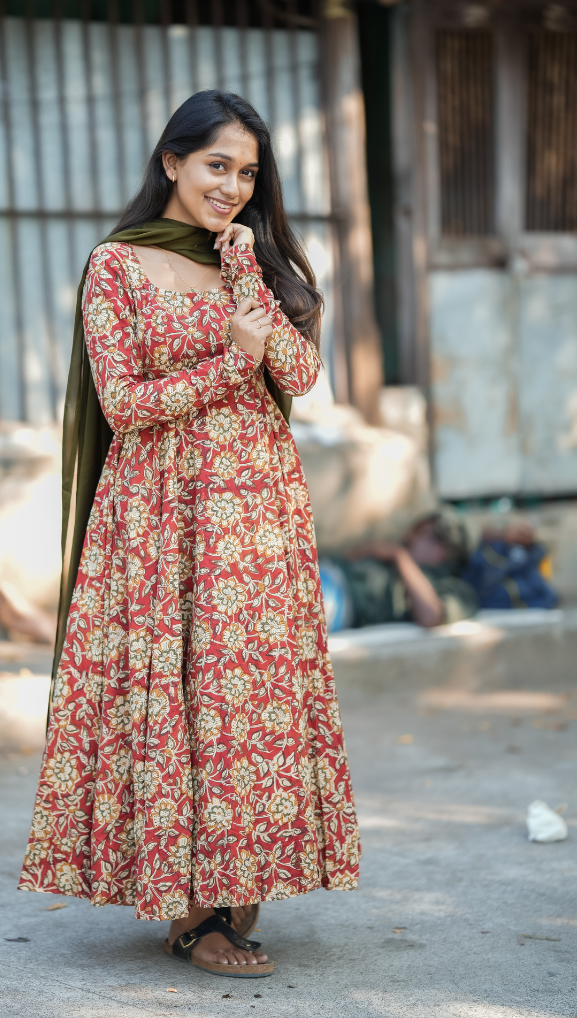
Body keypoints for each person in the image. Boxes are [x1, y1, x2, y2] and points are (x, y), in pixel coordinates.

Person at [19, 90, 359, 978]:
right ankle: (190, 911)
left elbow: (302, 371)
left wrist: (249, 270)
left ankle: (234, 877)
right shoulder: (118, 266)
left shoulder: (252, 258)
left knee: (242, 702)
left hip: (256, 515)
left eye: (248, 172)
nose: (234, 186)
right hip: (164, 517)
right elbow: (125, 405)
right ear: (171, 162)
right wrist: (224, 365)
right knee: (177, 696)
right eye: (218, 166)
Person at [320, 512, 478, 632]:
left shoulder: (457, 588)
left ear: (450, 555)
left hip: (340, 602)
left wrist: (400, 556)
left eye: (436, 537)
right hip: (325, 572)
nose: (419, 537)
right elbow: (351, 557)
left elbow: (430, 616)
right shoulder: (394, 551)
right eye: (419, 529)